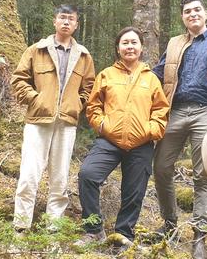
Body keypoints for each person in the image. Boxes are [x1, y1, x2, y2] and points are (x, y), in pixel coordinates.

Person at [152, 0, 207, 259]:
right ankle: (169, 225)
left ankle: (200, 235)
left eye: (197, 10)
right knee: (161, 167)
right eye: (188, 11)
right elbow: (157, 73)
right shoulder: (175, 43)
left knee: (204, 174)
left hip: (206, 114)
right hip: (175, 111)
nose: (193, 14)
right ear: (182, 17)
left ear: (205, 13)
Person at [76, 27, 169, 248]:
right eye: (125, 43)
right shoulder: (107, 74)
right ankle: (93, 230)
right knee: (87, 174)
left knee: (134, 191)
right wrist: (102, 124)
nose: (130, 46)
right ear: (118, 48)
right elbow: (93, 106)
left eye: (134, 42)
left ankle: (123, 235)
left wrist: (151, 130)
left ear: (141, 48)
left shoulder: (151, 78)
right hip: (109, 140)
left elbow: (161, 110)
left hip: (142, 143)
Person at [10, 4, 96, 231]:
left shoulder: (84, 56)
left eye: (71, 19)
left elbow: (89, 87)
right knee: (29, 177)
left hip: (66, 124)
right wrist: (35, 99)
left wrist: (77, 104)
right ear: (55, 21)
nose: (66, 22)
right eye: (62, 18)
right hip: (38, 121)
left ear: (76, 25)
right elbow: (19, 79)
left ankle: (52, 231)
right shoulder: (36, 50)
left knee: (59, 181)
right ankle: (20, 230)